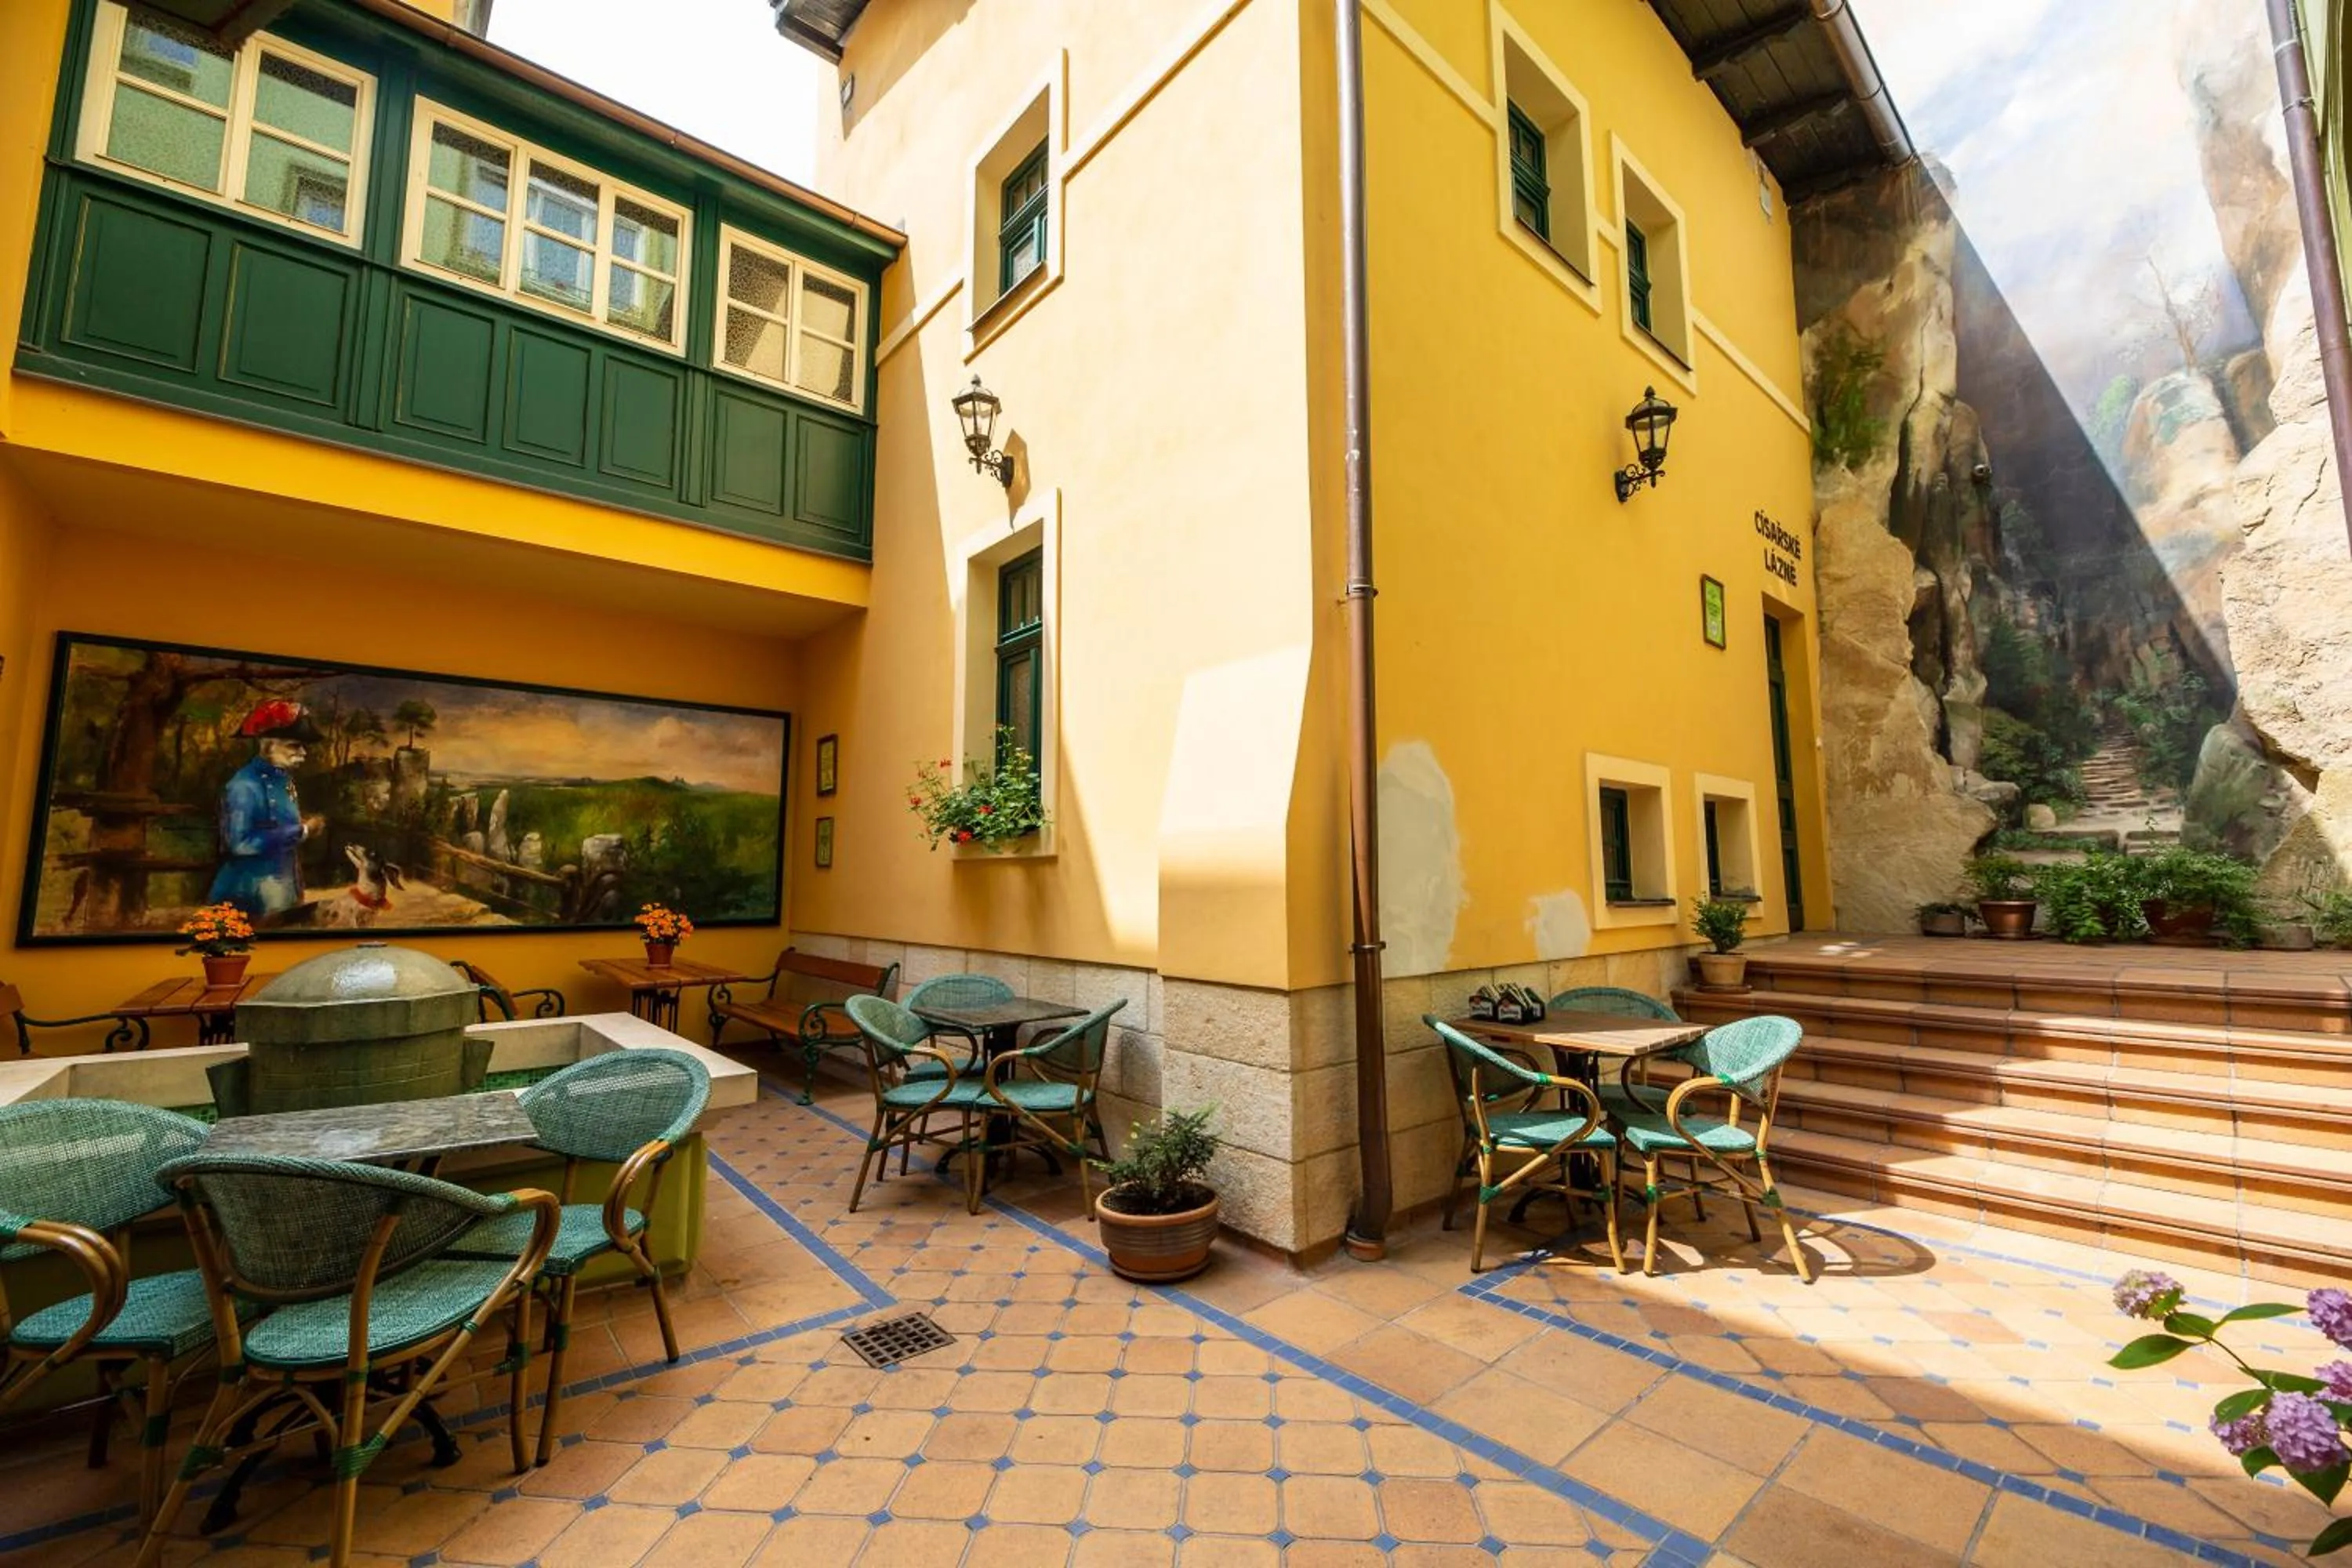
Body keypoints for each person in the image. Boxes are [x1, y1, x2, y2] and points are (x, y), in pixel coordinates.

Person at [207, 700, 325, 921]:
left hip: (284, 891)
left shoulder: (285, 780)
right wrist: (301, 831)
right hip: (249, 896)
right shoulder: (244, 785)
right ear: (269, 746)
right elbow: (240, 843)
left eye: (303, 746)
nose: (303, 753)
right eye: (294, 745)